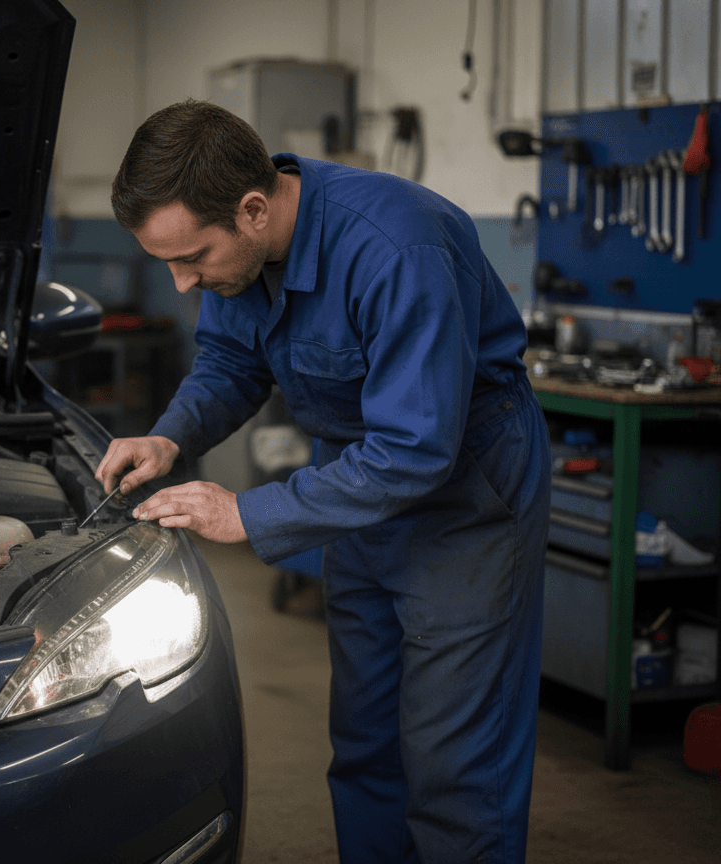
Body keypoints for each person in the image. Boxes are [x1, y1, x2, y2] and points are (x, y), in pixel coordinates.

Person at [95, 99, 551, 864]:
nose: (181, 284)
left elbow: (415, 447)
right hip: (357, 493)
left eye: (193, 258)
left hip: (466, 497)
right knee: (367, 743)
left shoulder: (395, 248)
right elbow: (234, 363)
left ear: (251, 208)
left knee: (454, 762)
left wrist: (248, 513)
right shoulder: (241, 260)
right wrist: (170, 436)